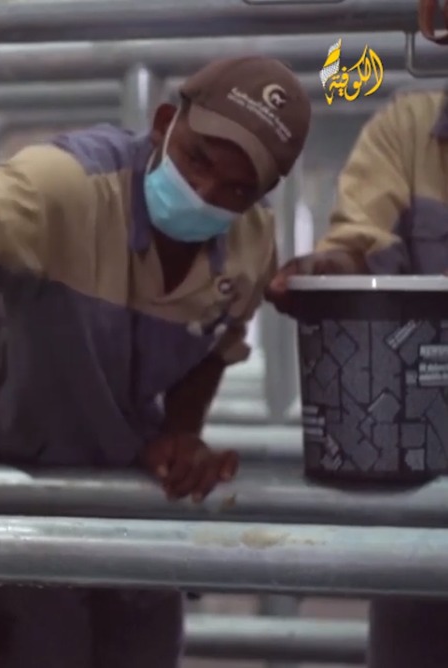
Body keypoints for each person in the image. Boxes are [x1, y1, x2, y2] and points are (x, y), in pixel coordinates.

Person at [0, 57, 312, 667]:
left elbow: (216, 343)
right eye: (198, 159)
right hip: (19, 490)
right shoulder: (71, 183)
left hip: (133, 495)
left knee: (145, 649)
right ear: (163, 123)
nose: (207, 192)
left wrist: (181, 431)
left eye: (238, 189)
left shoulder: (250, 245)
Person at [265, 86, 448, 668]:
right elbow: (361, 245)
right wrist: (327, 270)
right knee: (415, 635)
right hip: (429, 488)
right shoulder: (411, 129)